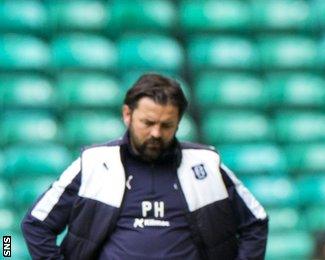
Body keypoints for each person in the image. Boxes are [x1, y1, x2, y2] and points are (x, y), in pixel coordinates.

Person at [21, 73, 269, 259]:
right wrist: (7, 253)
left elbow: (256, 221)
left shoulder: (206, 165)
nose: (156, 133)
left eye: (166, 125)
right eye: (147, 122)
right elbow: (32, 225)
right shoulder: (94, 163)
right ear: (127, 114)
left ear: (178, 123)